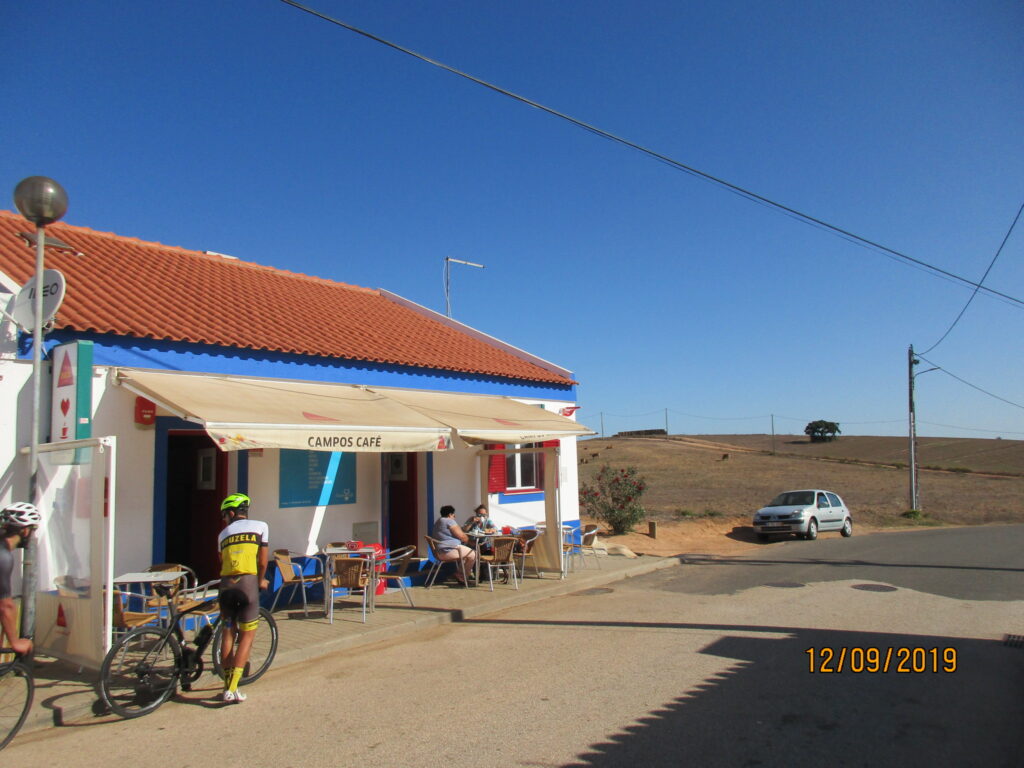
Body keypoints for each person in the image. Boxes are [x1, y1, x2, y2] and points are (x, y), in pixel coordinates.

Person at [217, 493, 269, 703]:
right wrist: (261, 580)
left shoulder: (222, 535)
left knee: (228, 633)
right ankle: (233, 688)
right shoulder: (261, 526)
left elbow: (221, 562)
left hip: (226, 586)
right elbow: (263, 561)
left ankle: (226, 685)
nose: (224, 519)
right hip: (248, 585)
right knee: (247, 637)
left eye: (224, 515)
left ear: (231, 513)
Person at [0, 502, 42, 656]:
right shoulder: (3, 557)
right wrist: (15, 642)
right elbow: (5, 606)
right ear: (25, 531)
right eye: (34, 529)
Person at [431, 505, 476, 585]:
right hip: (449, 550)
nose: (454, 516)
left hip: (439, 552)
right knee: (473, 554)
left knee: (466, 555)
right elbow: (461, 536)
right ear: (449, 514)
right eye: (453, 514)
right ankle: (462, 576)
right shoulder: (449, 521)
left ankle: (460, 575)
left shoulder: (438, 521)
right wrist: (468, 539)